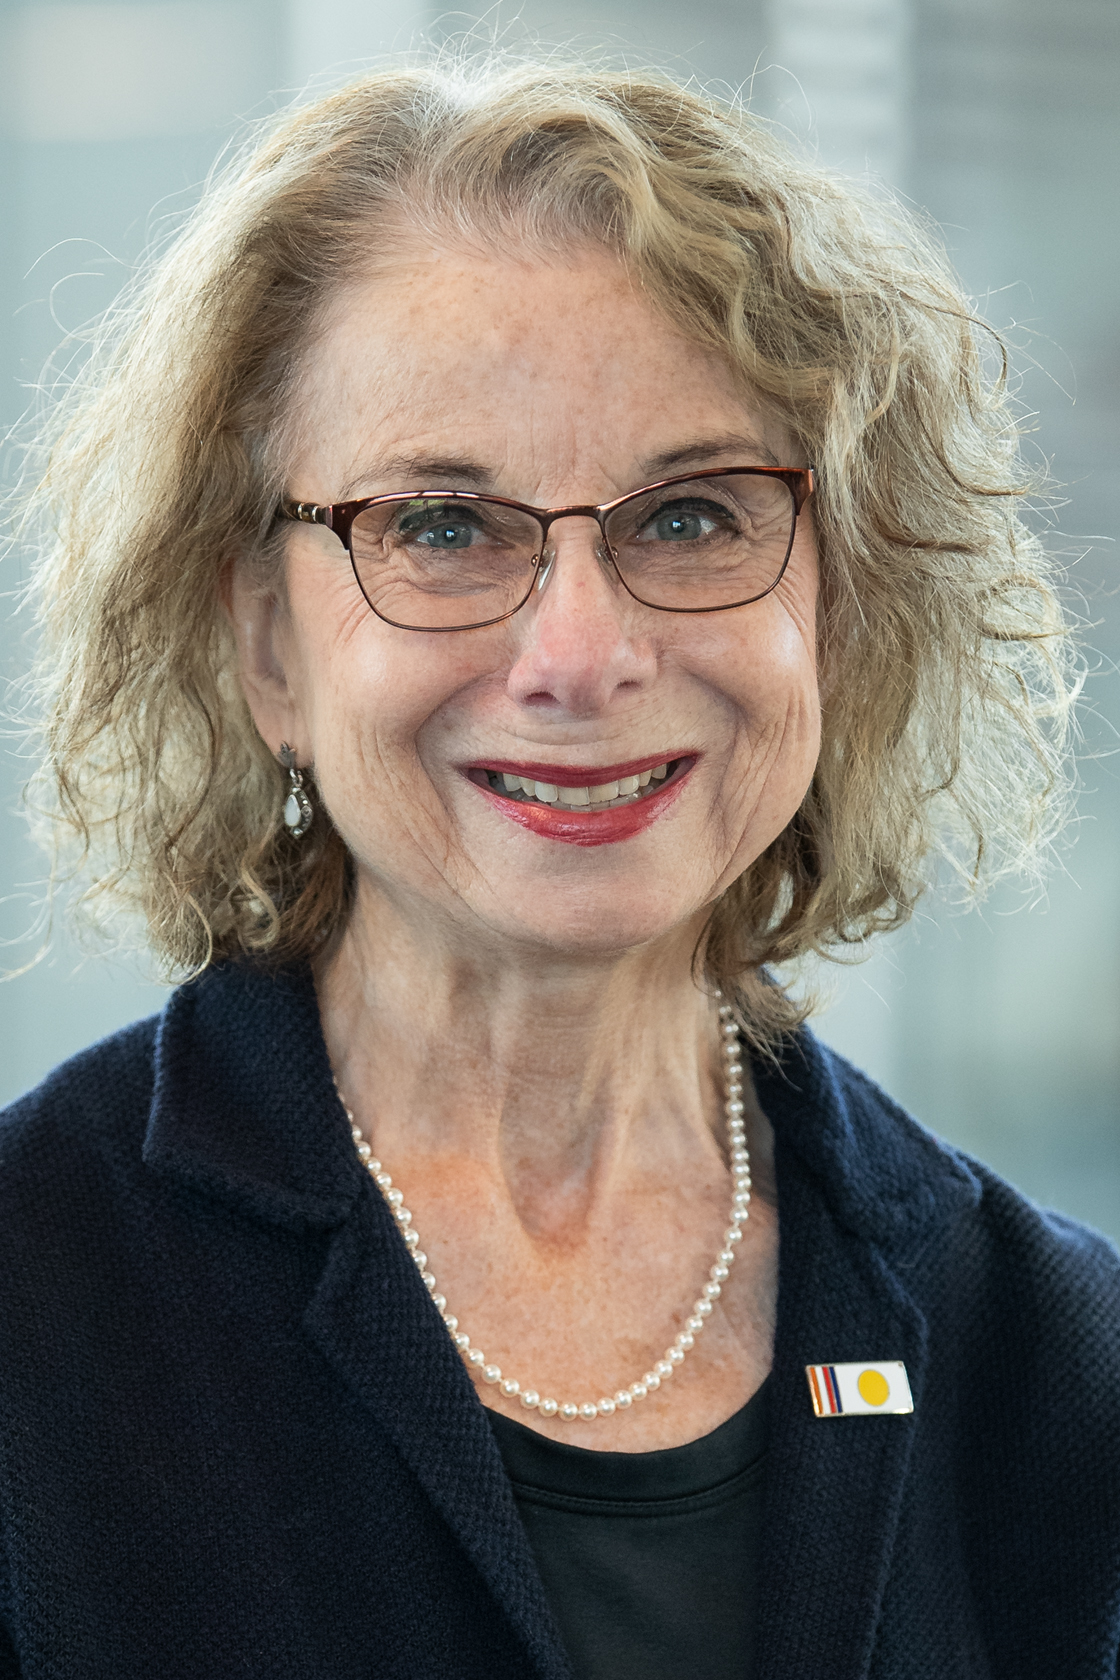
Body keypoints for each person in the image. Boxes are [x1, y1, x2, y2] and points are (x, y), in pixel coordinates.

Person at [1, 58, 1117, 1680]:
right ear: (263, 647)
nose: (580, 655)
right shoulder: (35, 1300)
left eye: (689, 516)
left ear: (842, 602)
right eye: (444, 526)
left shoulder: (1051, 1352)